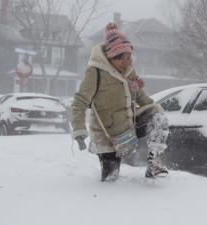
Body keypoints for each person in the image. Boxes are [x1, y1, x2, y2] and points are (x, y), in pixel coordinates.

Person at [71, 23, 168, 182]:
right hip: (107, 135)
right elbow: (79, 101)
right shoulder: (95, 72)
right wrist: (79, 130)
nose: (127, 62)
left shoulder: (129, 71)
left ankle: (154, 162)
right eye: (123, 58)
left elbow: (141, 98)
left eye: (129, 57)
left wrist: (157, 111)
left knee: (158, 116)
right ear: (111, 57)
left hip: (129, 126)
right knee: (111, 179)